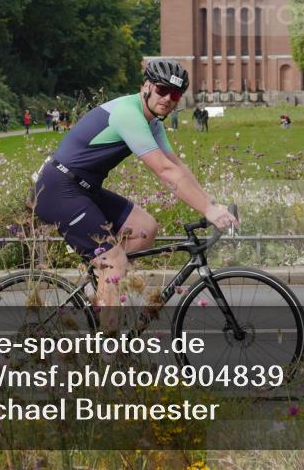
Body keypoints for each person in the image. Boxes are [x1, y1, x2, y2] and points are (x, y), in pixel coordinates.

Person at [31, 60, 238, 330]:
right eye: (162, 90)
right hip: (58, 189)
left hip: (83, 189)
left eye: (175, 95)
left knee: (144, 229)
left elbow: (177, 166)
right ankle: (108, 355)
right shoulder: (128, 114)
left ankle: (102, 295)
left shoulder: (153, 123)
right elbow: (165, 172)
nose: (167, 99)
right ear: (147, 87)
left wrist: (212, 203)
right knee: (114, 261)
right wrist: (208, 212)